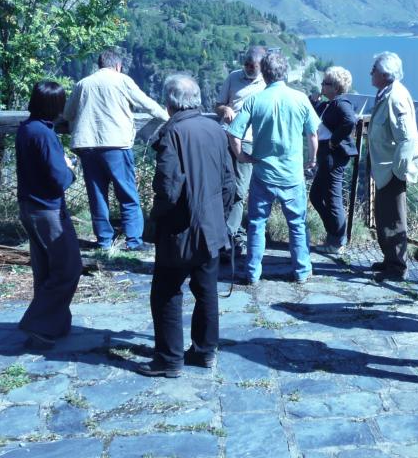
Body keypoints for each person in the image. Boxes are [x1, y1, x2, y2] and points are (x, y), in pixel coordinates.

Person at [137, 75, 236, 377]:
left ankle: (169, 359)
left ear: (169, 103)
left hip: (180, 230)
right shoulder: (215, 129)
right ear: (197, 99)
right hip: (211, 228)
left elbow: (167, 187)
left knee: (166, 291)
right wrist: (221, 217)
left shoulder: (172, 133)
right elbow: (229, 183)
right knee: (206, 289)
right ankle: (205, 352)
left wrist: (156, 220)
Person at [228, 51, 320, 284]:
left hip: (262, 173)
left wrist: (242, 157)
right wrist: (312, 159)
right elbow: (312, 134)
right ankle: (301, 271)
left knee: (257, 224)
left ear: (264, 73)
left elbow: (234, 134)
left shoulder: (255, 100)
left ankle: (252, 273)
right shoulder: (300, 99)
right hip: (291, 175)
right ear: (285, 72)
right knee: (297, 224)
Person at [63, 49, 168, 251]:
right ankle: (133, 241)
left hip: (88, 146)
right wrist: (168, 118)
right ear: (118, 65)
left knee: (97, 195)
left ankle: (103, 241)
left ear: (100, 64)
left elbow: (68, 113)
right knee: (127, 195)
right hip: (116, 145)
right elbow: (148, 105)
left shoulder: (83, 84)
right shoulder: (122, 81)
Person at [15, 81, 82, 350]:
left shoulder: (26, 128)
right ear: (55, 106)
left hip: (29, 205)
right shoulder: (43, 134)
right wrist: (70, 169)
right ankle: (39, 323)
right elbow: (58, 179)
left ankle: (53, 324)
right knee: (68, 267)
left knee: (45, 268)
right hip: (47, 209)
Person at [368, 52, 418, 282]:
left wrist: (397, 171)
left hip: (391, 169)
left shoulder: (395, 97)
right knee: (384, 216)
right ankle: (390, 259)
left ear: (384, 74)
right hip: (385, 168)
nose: (370, 72)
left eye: (374, 69)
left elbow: (406, 138)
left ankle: (397, 267)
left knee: (393, 218)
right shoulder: (386, 93)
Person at [215, 46, 267, 259]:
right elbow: (218, 104)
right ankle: (230, 232)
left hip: (247, 141)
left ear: (261, 66)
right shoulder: (233, 77)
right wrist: (224, 109)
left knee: (239, 188)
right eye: (246, 64)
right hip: (225, 135)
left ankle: (229, 235)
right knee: (223, 185)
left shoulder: (266, 84)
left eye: (252, 66)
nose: (247, 69)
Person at [309, 66, 358, 253]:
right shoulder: (329, 103)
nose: (322, 85)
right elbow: (314, 116)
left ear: (336, 87)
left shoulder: (340, 103)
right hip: (327, 155)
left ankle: (337, 241)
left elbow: (350, 121)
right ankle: (334, 234)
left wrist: (334, 141)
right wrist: (314, 101)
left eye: (325, 83)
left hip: (333, 156)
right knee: (316, 196)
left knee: (332, 198)